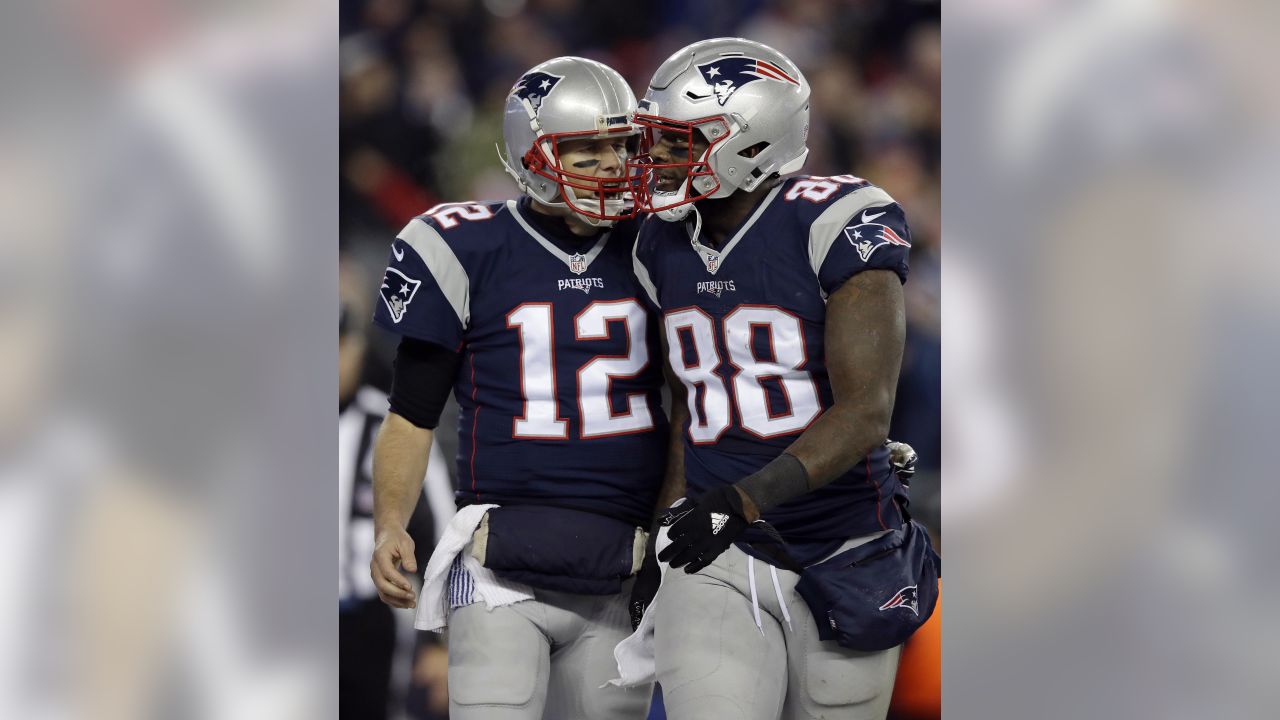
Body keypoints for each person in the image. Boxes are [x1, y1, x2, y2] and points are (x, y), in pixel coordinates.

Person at [625, 38, 935, 720]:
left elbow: (865, 414)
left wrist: (739, 499)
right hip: (717, 545)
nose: (658, 160)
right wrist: (663, 529)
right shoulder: (657, 241)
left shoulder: (836, 220)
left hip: (844, 545)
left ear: (750, 142)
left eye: (678, 142)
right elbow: (690, 405)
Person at [367, 56, 667, 720]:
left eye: (622, 145)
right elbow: (412, 415)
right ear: (533, 155)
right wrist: (390, 521)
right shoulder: (465, 246)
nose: (614, 165)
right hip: (499, 561)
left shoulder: (661, 246)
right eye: (589, 150)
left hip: (625, 563)